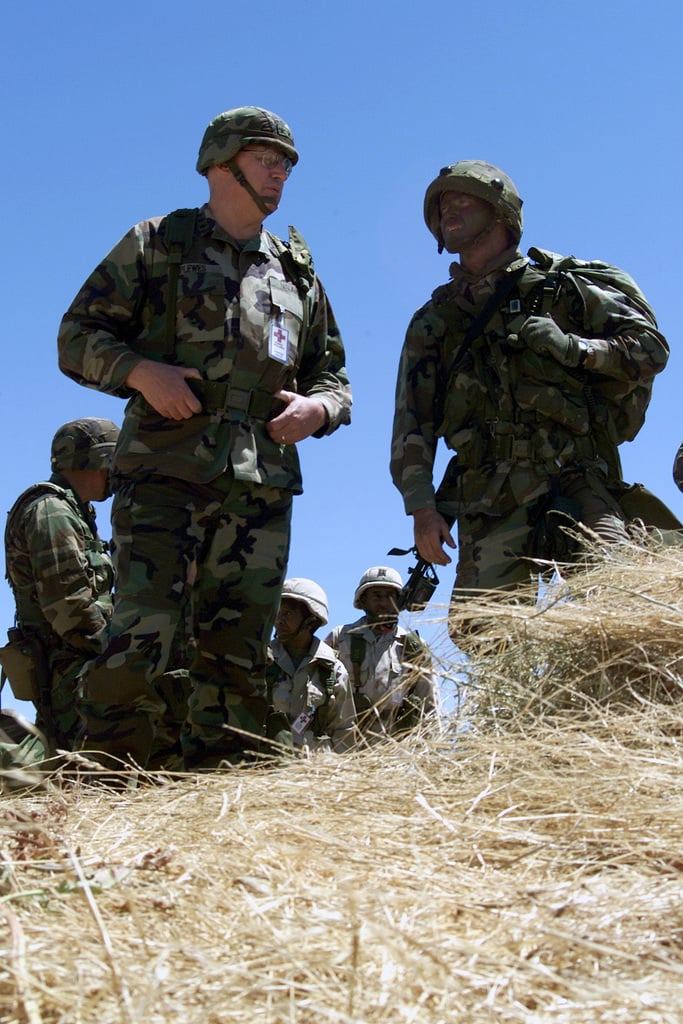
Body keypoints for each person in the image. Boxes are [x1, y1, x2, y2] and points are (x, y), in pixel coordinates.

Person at [57, 106, 351, 771]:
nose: (280, 174)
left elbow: (334, 374)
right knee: (144, 636)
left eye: (286, 165)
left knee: (241, 652)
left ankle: (221, 800)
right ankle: (102, 784)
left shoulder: (296, 271)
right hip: (165, 469)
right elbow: (75, 338)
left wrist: (320, 409)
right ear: (220, 165)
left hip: (262, 484)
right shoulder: (158, 242)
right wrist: (139, 371)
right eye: (265, 160)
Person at [390, 161, 669, 638]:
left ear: (501, 213)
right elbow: (412, 423)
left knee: (620, 600)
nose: (447, 208)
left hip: (575, 479)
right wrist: (422, 508)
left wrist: (574, 348)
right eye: (441, 204)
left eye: (462, 199)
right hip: (489, 496)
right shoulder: (435, 320)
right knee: (484, 637)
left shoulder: (561, 289)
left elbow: (650, 350)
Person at [1, 418, 118, 760]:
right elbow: (68, 607)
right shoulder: (52, 511)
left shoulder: (76, 511)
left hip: (74, 662)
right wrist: (120, 652)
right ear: (94, 460)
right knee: (78, 766)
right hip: (69, 666)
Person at [326, 567, 439, 741]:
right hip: (345, 741)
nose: (384, 602)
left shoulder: (412, 646)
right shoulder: (340, 638)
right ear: (363, 600)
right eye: (377, 595)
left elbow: (429, 704)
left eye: (390, 596)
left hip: (395, 745)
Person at [267, 578, 355, 754]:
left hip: (316, 772)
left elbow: (344, 731)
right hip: (266, 766)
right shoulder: (262, 660)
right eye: (278, 613)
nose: (279, 621)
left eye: (288, 614)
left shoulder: (333, 671)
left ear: (310, 621)